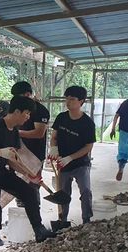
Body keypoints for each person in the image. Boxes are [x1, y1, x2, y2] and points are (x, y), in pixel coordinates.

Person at [0, 96, 57, 252]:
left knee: (29, 192)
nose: (28, 117)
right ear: (16, 111)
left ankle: (39, 231)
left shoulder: (14, 131)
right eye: (26, 113)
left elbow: (12, 159)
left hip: (1, 172)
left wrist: (29, 174)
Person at [48, 86, 96, 224]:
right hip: (62, 163)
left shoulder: (87, 123)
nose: (68, 102)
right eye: (66, 99)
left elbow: (88, 146)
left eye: (72, 99)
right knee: (63, 194)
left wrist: (71, 157)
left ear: (81, 101)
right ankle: (62, 219)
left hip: (80, 164)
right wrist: (53, 148)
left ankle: (86, 219)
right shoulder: (61, 117)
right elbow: (54, 136)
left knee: (86, 191)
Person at [12, 81, 50, 206]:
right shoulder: (16, 108)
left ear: (28, 94)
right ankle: (20, 214)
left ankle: (34, 216)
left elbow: (39, 133)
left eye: (19, 96)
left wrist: (17, 133)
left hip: (34, 154)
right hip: (18, 152)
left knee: (33, 186)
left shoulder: (40, 110)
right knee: (19, 187)